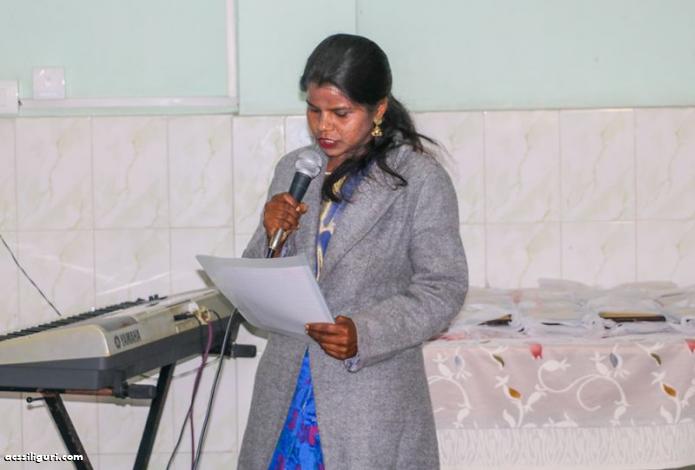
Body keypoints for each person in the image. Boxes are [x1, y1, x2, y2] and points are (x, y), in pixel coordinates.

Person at [238, 33, 468, 470]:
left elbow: (443, 288)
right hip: (286, 390)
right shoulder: (294, 170)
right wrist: (271, 234)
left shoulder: (419, 180)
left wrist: (365, 332)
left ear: (378, 110)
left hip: (368, 395)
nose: (323, 127)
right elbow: (258, 290)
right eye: (314, 110)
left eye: (340, 113)